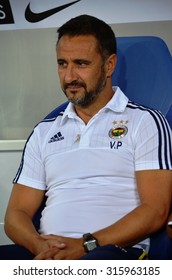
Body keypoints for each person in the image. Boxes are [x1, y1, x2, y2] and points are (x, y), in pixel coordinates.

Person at [4, 14, 172, 260]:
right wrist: (39, 247)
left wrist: (85, 246)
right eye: (62, 64)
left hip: (112, 252)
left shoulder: (145, 122)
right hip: (48, 253)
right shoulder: (44, 131)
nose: (69, 76)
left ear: (109, 65)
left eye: (81, 64)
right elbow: (15, 214)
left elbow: (156, 210)